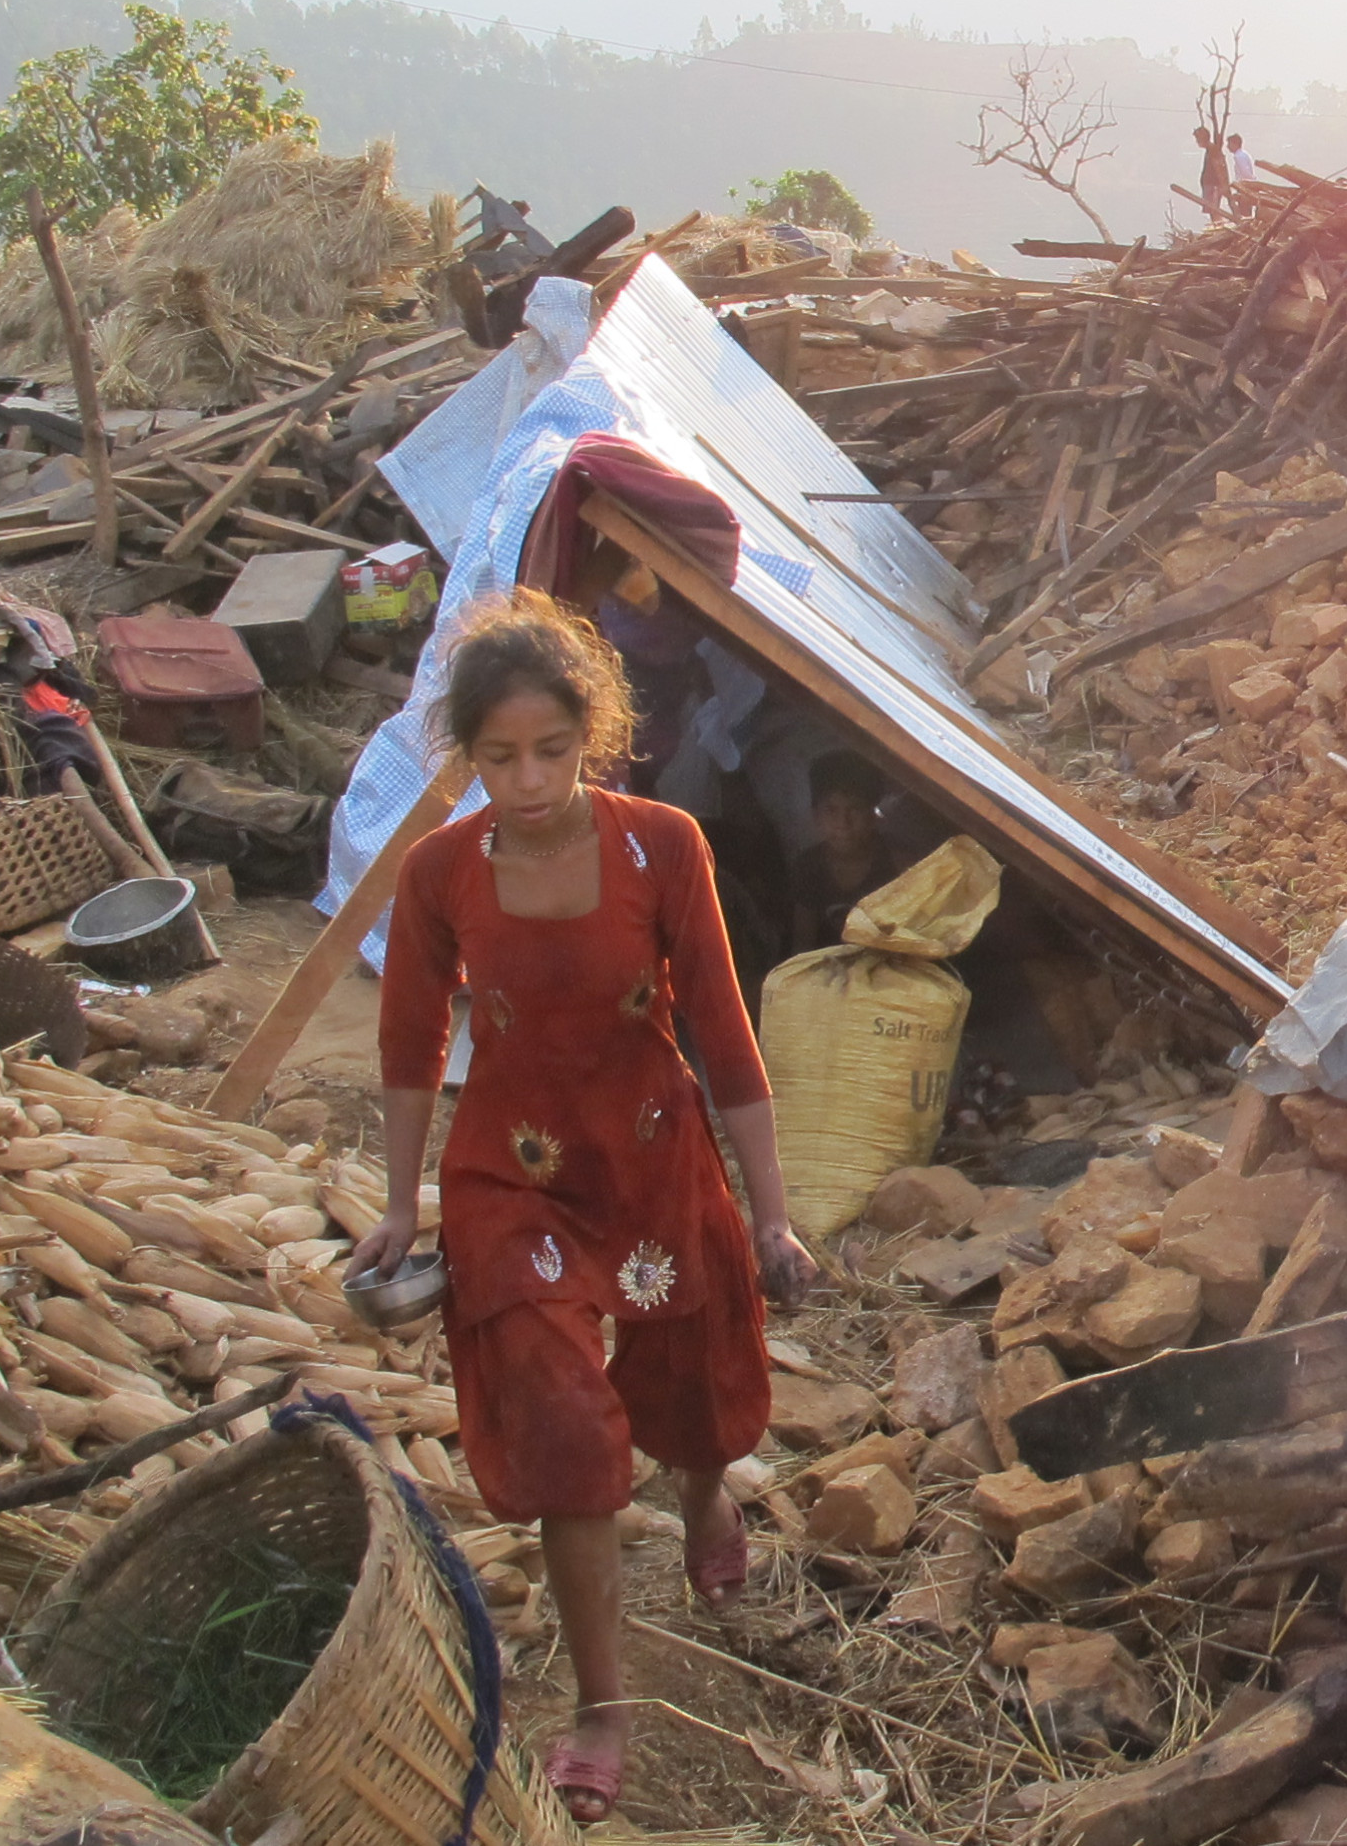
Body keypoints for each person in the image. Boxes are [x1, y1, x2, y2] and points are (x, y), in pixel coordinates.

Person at [347, 589, 816, 1823]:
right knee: (562, 1421)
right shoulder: (442, 871)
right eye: (498, 758)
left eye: (551, 751)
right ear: (467, 754)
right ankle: (601, 1709)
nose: (528, 779)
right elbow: (407, 1047)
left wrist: (771, 1217)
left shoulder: (665, 845)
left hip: (651, 1153)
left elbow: (721, 1029)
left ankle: (707, 1493)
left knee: (691, 1394)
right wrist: (399, 1208)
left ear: (590, 736)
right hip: (512, 1173)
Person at [787, 749, 897, 957]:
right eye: (831, 810)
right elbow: (803, 943)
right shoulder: (808, 867)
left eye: (854, 809)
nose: (843, 824)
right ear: (816, 815)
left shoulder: (899, 864)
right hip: (831, 970)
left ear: (873, 816)